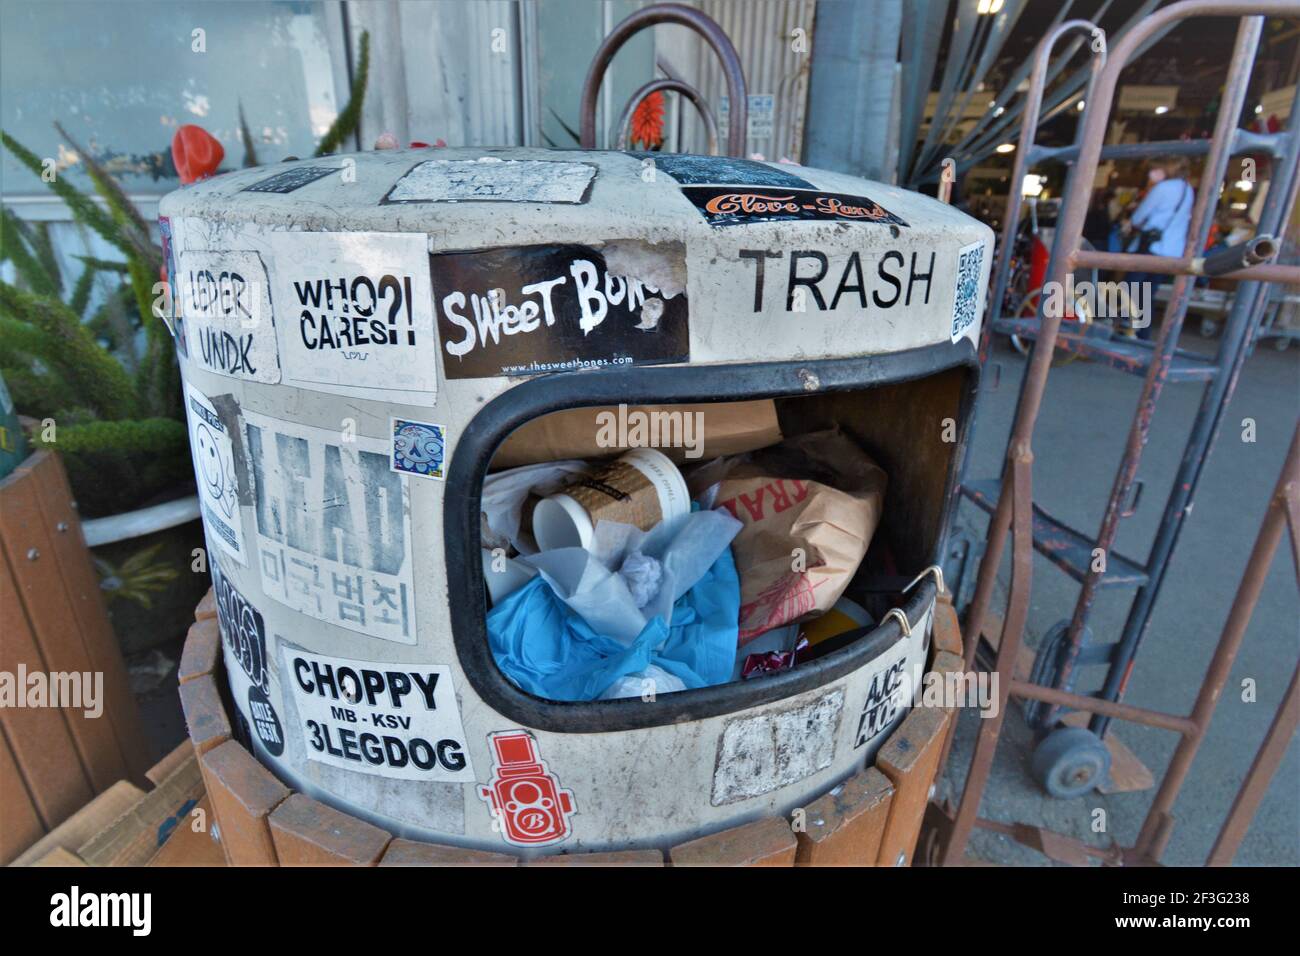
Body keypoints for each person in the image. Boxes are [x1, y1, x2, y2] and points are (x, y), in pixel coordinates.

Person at [1123, 157, 1195, 339]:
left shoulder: (1163, 188)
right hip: (1172, 250)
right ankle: (1142, 332)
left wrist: (1133, 219)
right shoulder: (1188, 190)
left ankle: (1128, 327)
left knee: (1132, 286)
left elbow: (1139, 217)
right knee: (1149, 291)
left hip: (1152, 244)